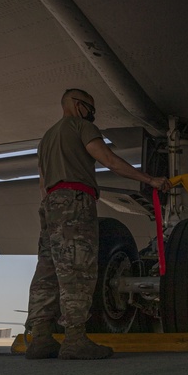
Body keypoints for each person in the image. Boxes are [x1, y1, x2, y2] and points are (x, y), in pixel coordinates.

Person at [25, 88, 170, 360]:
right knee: (78, 268)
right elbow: (110, 161)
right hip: (75, 200)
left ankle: (40, 337)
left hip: (50, 203)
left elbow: (43, 181)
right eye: (91, 108)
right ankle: (75, 339)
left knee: (48, 271)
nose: (93, 114)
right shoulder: (81, 127)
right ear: (78, 106)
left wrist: (50, 208)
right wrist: (150, 180)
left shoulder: (47, 138)